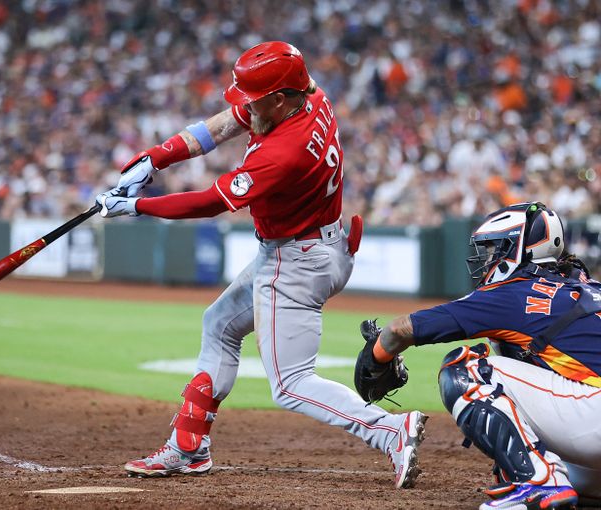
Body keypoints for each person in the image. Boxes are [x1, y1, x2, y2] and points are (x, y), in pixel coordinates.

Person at [94, 41, 427, 489]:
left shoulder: (283, 152)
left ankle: (389, 431)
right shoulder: (307, 94)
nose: (245, 107)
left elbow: (210, 202)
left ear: (277, 98)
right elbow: (226, 123)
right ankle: (188, 447)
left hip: (294, 261)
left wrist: (138, 207)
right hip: (316, 247)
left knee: (290, 384)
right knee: (219, 325)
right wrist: (158, 157)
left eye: (254, 99)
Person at [364, 202, 601, 509]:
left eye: (495, 249)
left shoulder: (514, 291)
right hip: (589, 421)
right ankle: (550, 478)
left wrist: (376, 355)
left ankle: (538, 482)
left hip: (592, 418)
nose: (488, 259)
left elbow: (401, 330)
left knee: (466, 368)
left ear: (519, 248)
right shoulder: (585, 285)